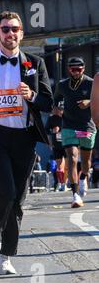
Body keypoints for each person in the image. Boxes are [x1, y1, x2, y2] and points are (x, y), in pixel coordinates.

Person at [0, 11, 53, 275]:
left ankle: (6, 255)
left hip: (24, 138)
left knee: (17, 199)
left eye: (15, 29)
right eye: (5, 29)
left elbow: (48, 101)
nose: (10, 33)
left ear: (21, 33)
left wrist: (33, 95)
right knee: (6, 190)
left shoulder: (34, 63)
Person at [54, 57, 96, 208]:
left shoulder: (91, 83)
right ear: (69, 70)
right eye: (73, 69)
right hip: (69, 126)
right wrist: (57, 109)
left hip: (86, 126)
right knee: (71, 157)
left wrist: (90, 102)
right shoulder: (62, 85)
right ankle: (75, 195)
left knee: (85, 162)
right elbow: (55, 101)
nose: (76, 72)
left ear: (84, 69)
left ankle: (84, 176)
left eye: (79, 69)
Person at [45, 104, 67, 191]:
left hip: (67, 144)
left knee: (66, 166)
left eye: (57, 109)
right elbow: (46, 129)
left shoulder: (67, 117)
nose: (54, 110)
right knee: (59, 166)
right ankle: (61, 183)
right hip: (56, 144)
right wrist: (52, 131)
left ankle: (65, 183)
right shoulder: (51, 118)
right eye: (54, 109)